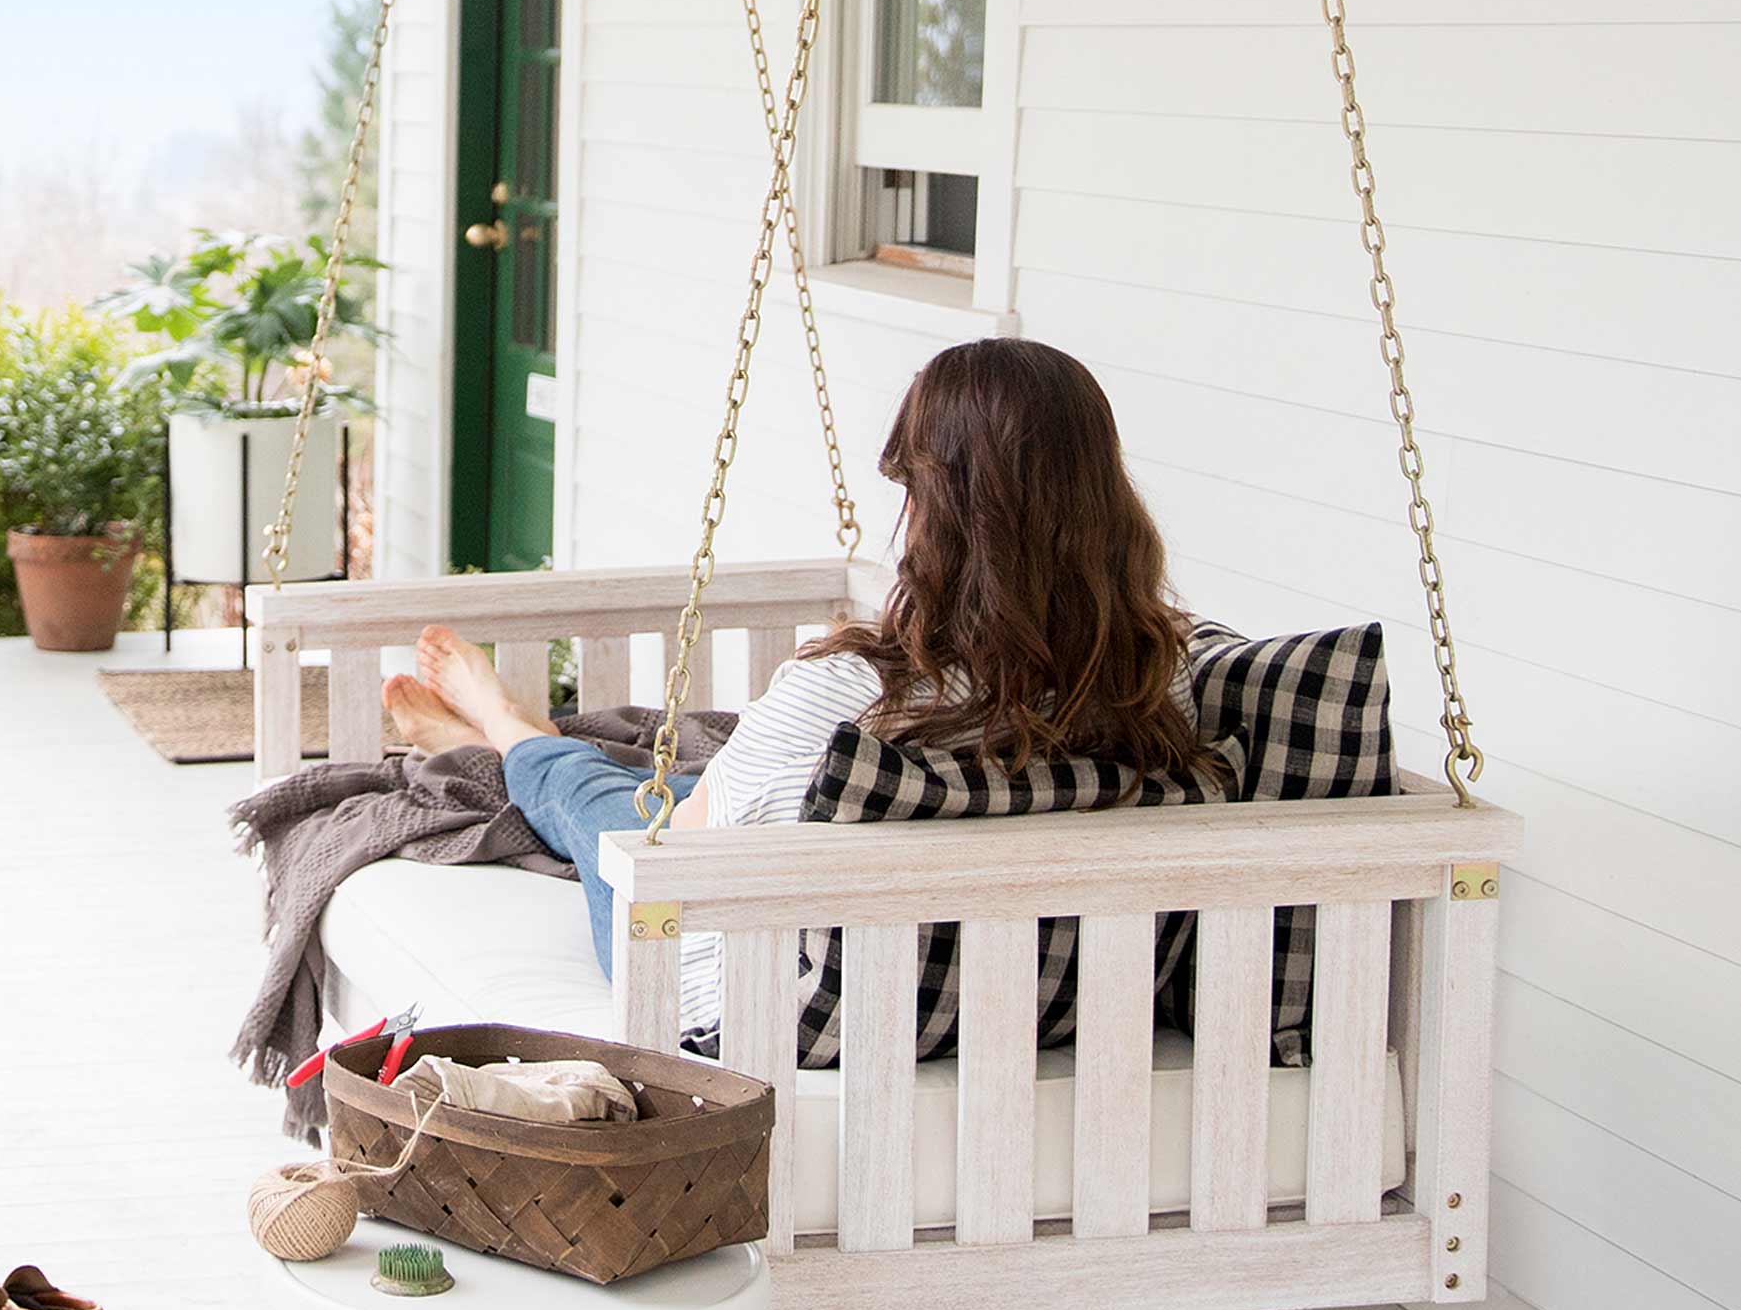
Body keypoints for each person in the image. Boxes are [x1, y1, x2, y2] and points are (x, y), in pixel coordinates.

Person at [382, 337, 1216, 1035]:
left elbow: (679, 849)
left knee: (609, 804)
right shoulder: (1157, 678)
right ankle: (515, 742)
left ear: (940, 504)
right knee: (678, 784)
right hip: (1045, 1005)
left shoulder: (847, 691)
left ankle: (503, 731)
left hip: (729, 998)